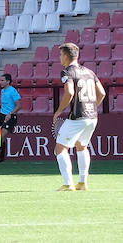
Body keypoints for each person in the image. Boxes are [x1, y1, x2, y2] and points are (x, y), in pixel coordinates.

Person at [52, 42, 105, 191]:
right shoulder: (89, 72)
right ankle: (82, 182)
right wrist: (92, 107)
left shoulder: (67, 72)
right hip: (92, 117)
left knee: (60, 148)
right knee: (82, 147)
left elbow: (69, 92)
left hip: (78, 116)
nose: (60, 58)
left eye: (61, 54)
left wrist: (59, 111)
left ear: (67, 56)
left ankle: (68, 183)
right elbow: (102, 93)